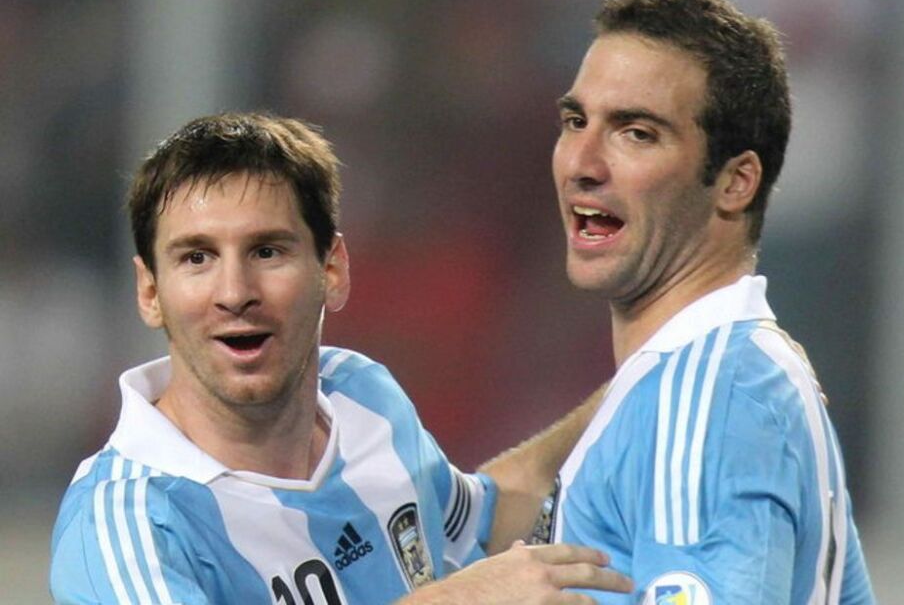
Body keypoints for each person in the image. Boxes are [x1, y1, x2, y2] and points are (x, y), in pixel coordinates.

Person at [49, 113, 632, 604]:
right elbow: (472, 592)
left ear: (331, 269)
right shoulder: (125, 522)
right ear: (150, 292)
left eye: (267, 251)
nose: (234, 292)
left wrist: (642, 375)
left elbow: (476, 525)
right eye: (197, 258)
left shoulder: (360, 392)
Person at [536, 0, 876, 604]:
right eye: (576, 121)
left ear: (735, 182)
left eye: (636, 133)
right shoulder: (726, 379)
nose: (582, 162)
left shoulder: (707, 401)